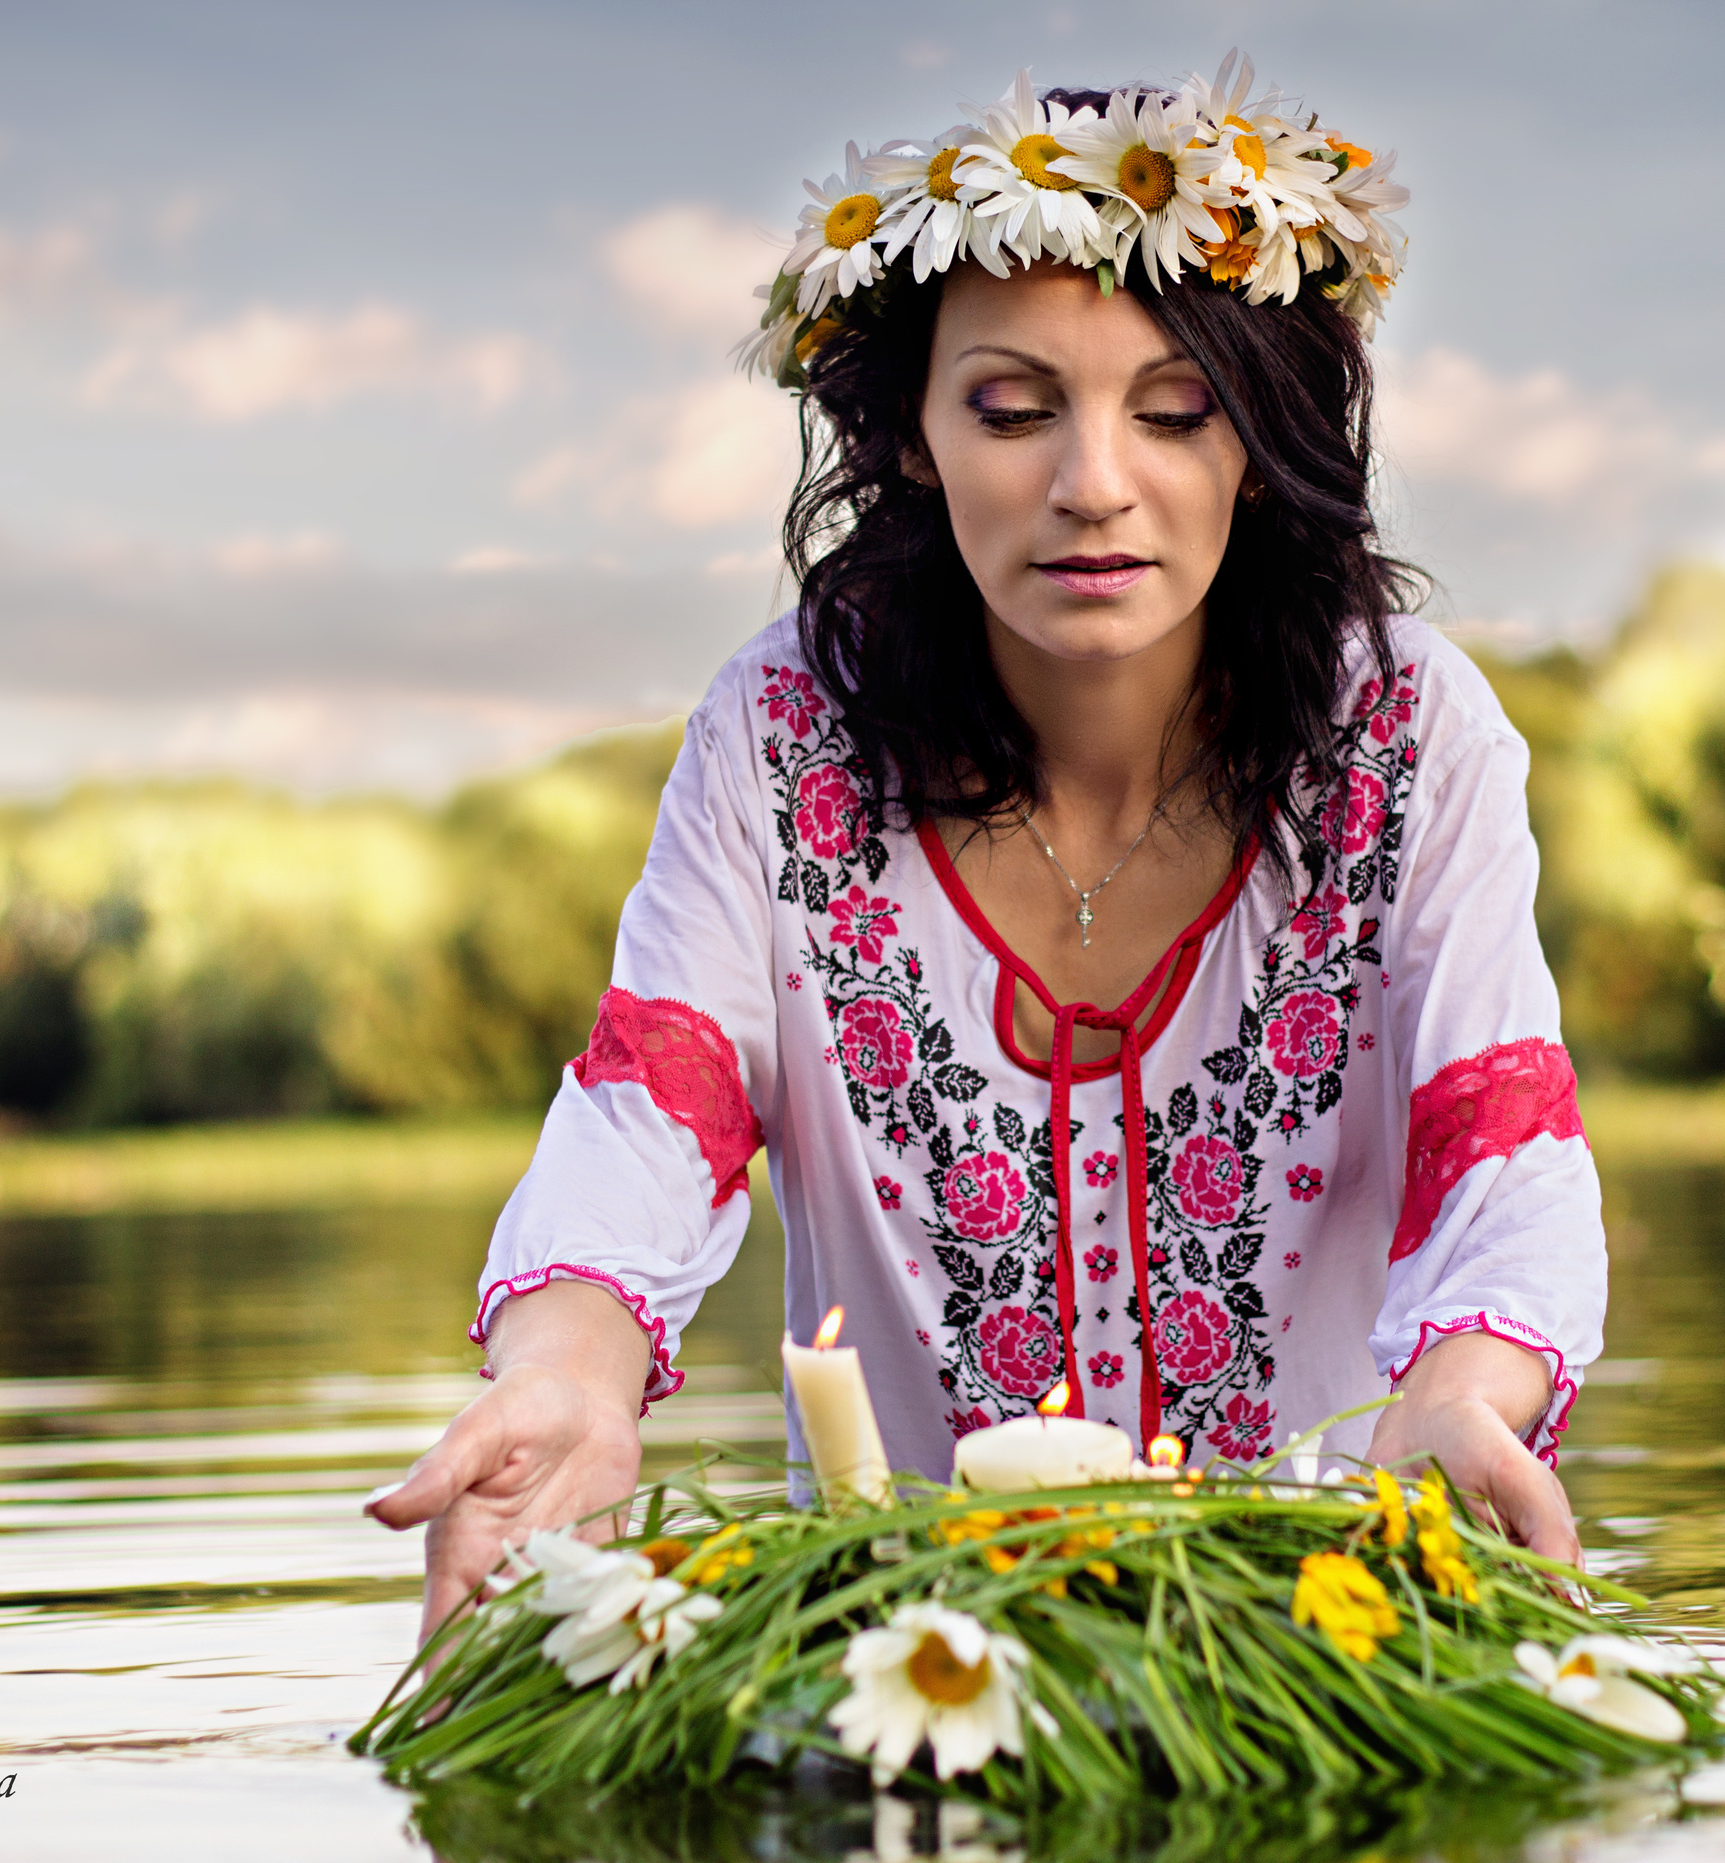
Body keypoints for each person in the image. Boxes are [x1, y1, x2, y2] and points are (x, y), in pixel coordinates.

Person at [368, 59, 1604, 1650]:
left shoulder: (1404, 734)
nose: (1095, 486)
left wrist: (1455, 1399)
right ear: (909, 439)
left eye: (1176, 411)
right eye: (1014, 410)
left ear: (1263, 442)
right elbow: (649, 1121)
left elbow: (1501, 1139)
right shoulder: (778, 738)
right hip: (908, 1661)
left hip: (1337, 1634)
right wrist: (566, 1382)